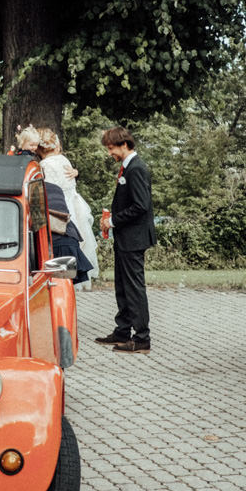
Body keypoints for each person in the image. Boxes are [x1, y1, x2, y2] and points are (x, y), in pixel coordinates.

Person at [98, 126, 155, 353]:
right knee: (122, 285)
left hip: (134, 238)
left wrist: (113, 221)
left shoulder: (137, 169)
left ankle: (142, 338)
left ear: (124, 144)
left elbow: (141, 206)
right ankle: (122, 331)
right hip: (125, 238)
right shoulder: (127, 167)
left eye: (111, 148)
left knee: (134, 288)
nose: (109, 153)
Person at [37, 131, 99, 284]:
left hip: (57, 210)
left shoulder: (44, 165)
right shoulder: (64, 160)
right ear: (56, 145)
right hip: (73, 208)